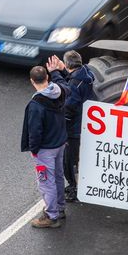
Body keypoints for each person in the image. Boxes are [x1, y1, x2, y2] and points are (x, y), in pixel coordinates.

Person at [21, 61, 68, 228]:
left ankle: (51, 215)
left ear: (32, 81)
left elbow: (35, 131)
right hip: (60, 142)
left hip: (45, 149)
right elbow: (64, 83)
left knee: (46, 182)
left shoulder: (36, 105)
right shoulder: (59, 92)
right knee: (58, 176)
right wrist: (56, 72)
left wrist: (34, 150)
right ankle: (60, 207)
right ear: (47, 78)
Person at [48, 51, 96, 202]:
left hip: (73, 130)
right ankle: (75, 186)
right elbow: (71, 81)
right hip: (83, 125)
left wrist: (55, 73)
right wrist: (62, 70)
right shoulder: (85, 74)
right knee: (74, 159)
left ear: (68, 64)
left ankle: (74, 189)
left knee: (69, 162)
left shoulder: (75, 84)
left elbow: (68, 102)